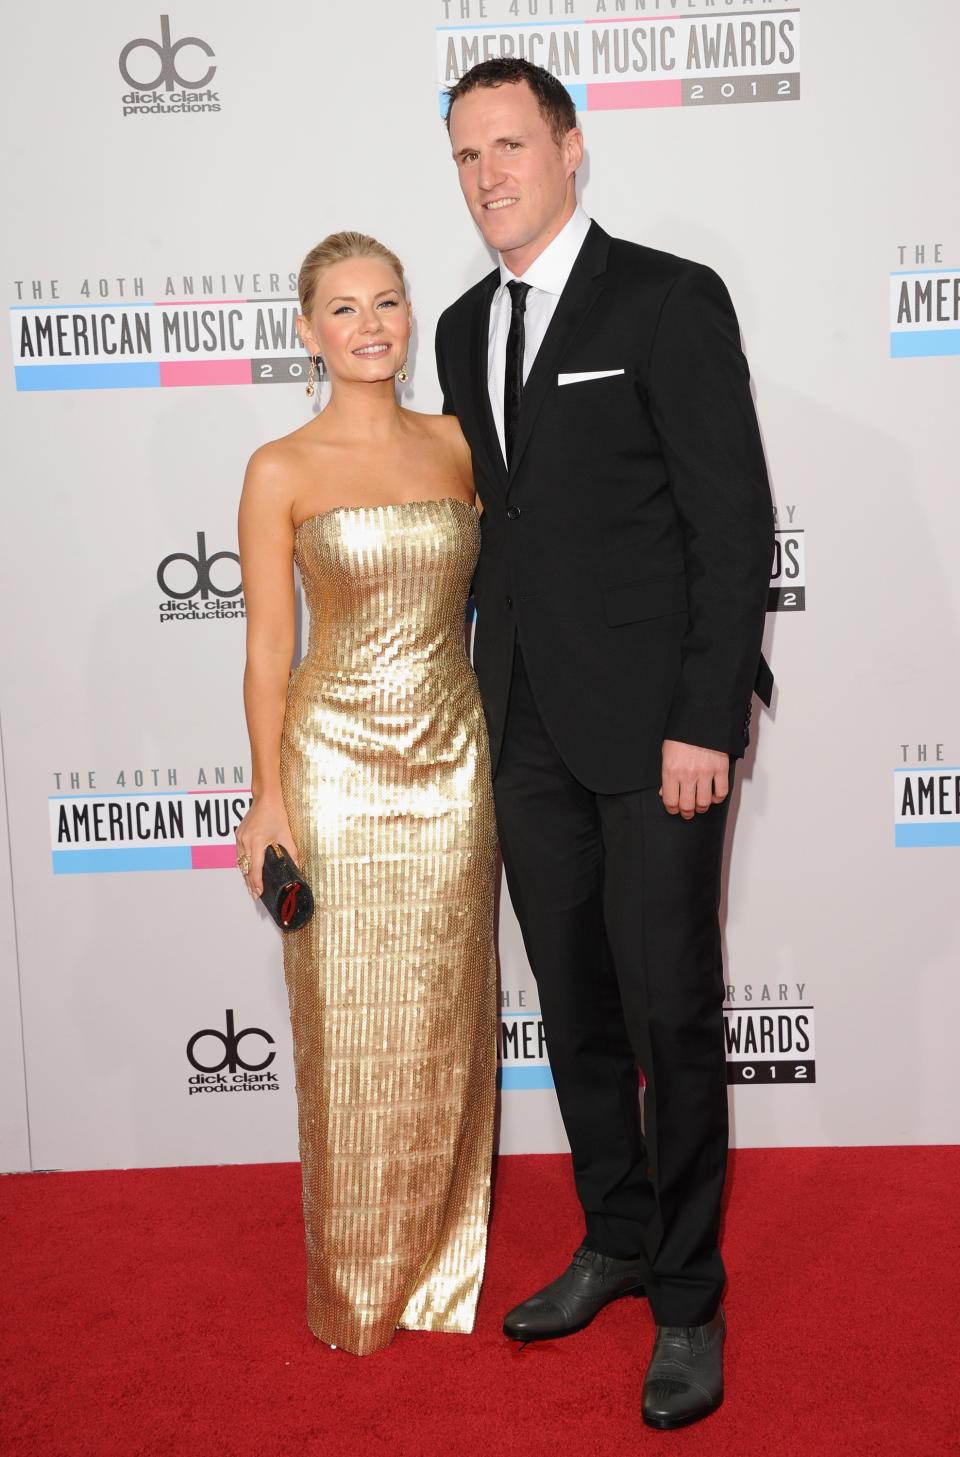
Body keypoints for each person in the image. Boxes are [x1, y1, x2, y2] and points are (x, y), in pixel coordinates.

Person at [437, 59, 773, 1429]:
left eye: (511, 144)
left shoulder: (668, 298)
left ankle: (688, 1296)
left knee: (671, 1016)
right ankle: (618, 1234)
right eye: (466, 155)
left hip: (658, 738)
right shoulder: (462, 328)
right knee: (573, 1010)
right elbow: (495, 538)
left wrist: (707, 717)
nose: (489, 174)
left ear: (574, 150)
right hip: (522, 727)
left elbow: (730, 520)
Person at [235, 231, 498, 1357]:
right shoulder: (279, 468)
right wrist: (266, 799)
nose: (370, 324)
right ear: (308, 332)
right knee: (345, 1027)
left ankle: (445, 1261)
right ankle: (353, 1280)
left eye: (386, 301)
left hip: (451, 764)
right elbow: (264, 648)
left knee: (446, 1014)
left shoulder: (458, 443)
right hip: (332, 767)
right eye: (342, 309)